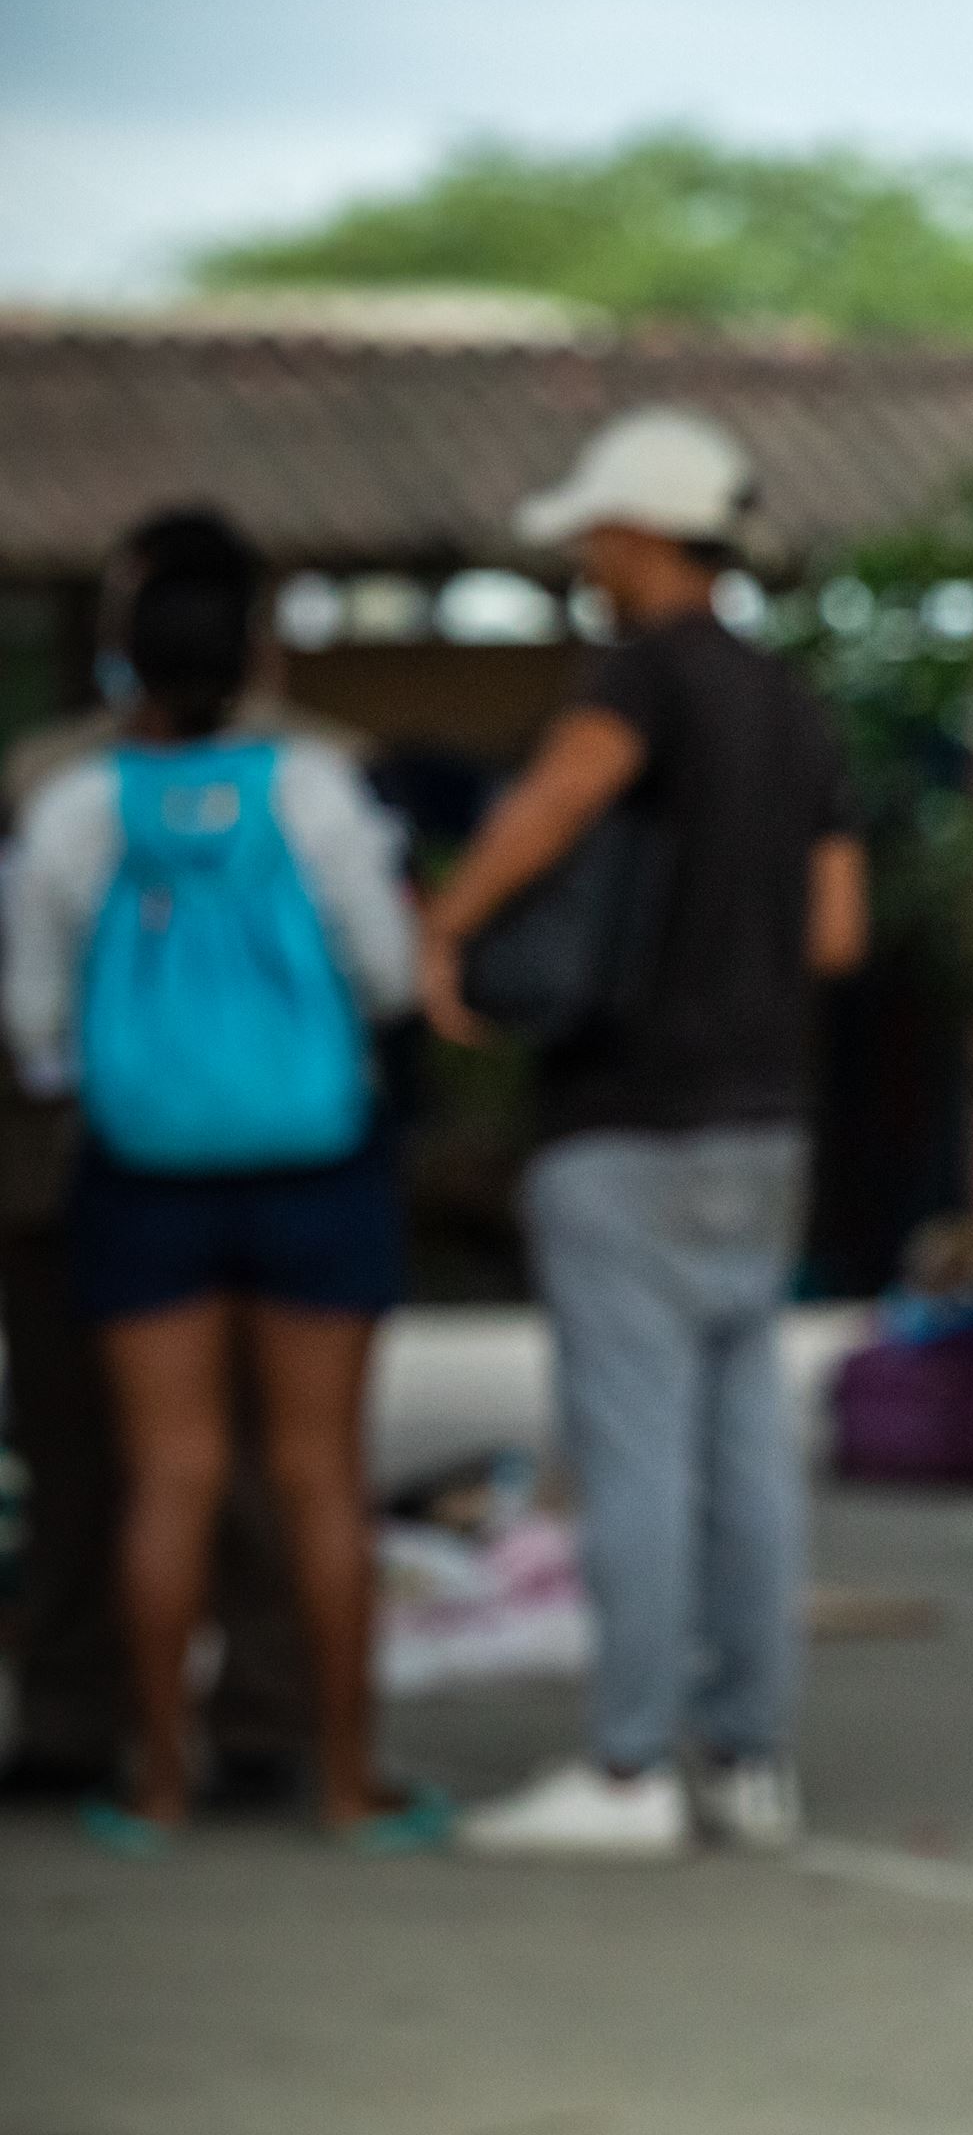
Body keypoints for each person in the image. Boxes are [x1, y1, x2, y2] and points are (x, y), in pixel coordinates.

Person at [426, 405, 866, 1859]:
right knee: (746, 1457)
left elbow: (561, 799)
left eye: (594, 538)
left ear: (634, 534)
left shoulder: (641, 678)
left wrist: (451, 927)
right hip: (763, 1123)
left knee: (635, 1458)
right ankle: (751, 1765)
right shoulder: (790, 705)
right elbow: (836, 928)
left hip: (627, 1120)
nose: (585, 565)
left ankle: (624, 1772)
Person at [1, 507, 430, 1851]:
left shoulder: (64, 798)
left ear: (120, 651)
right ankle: (345, 1780)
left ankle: (155, 1781)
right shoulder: (321, 785)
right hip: (315, 1167)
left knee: (163, 1473)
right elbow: (394, 975)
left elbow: (32, 1022)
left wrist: (135, 1082)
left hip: (138, 1177)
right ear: (260, 650)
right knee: (314, 1475)